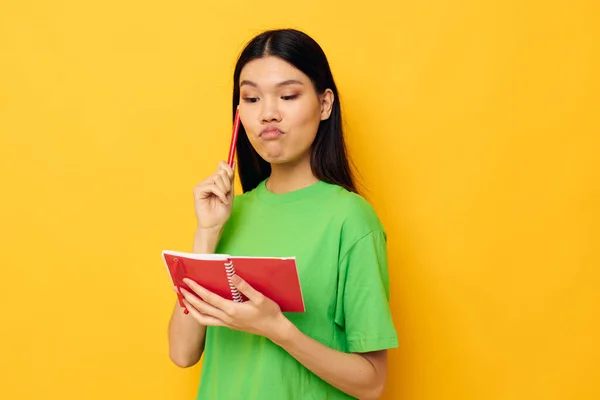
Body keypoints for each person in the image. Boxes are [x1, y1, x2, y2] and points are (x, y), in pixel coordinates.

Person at [167, 28, 398, 400]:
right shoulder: (229, 214)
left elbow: (371, 383)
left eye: (288, 95)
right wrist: (206, 233)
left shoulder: (350, 219)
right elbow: (182, 353)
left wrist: (277, 328)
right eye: (252, 98)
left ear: (324, 105)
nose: (268, 114)